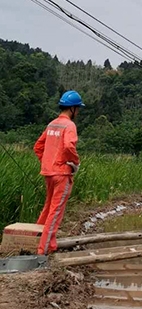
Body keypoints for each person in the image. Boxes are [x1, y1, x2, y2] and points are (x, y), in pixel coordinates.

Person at [34, 90, 84, 255]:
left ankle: (35, 240)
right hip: (62, 174)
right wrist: (75, 162)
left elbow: (38, 147)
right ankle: (44, 250)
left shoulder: (52, 124)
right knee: (55, 212)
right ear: (73, 109)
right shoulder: (69, 125)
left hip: (49, 173)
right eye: (78, 109)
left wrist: (47, 162)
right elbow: (69, 146)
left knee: (48, 208)